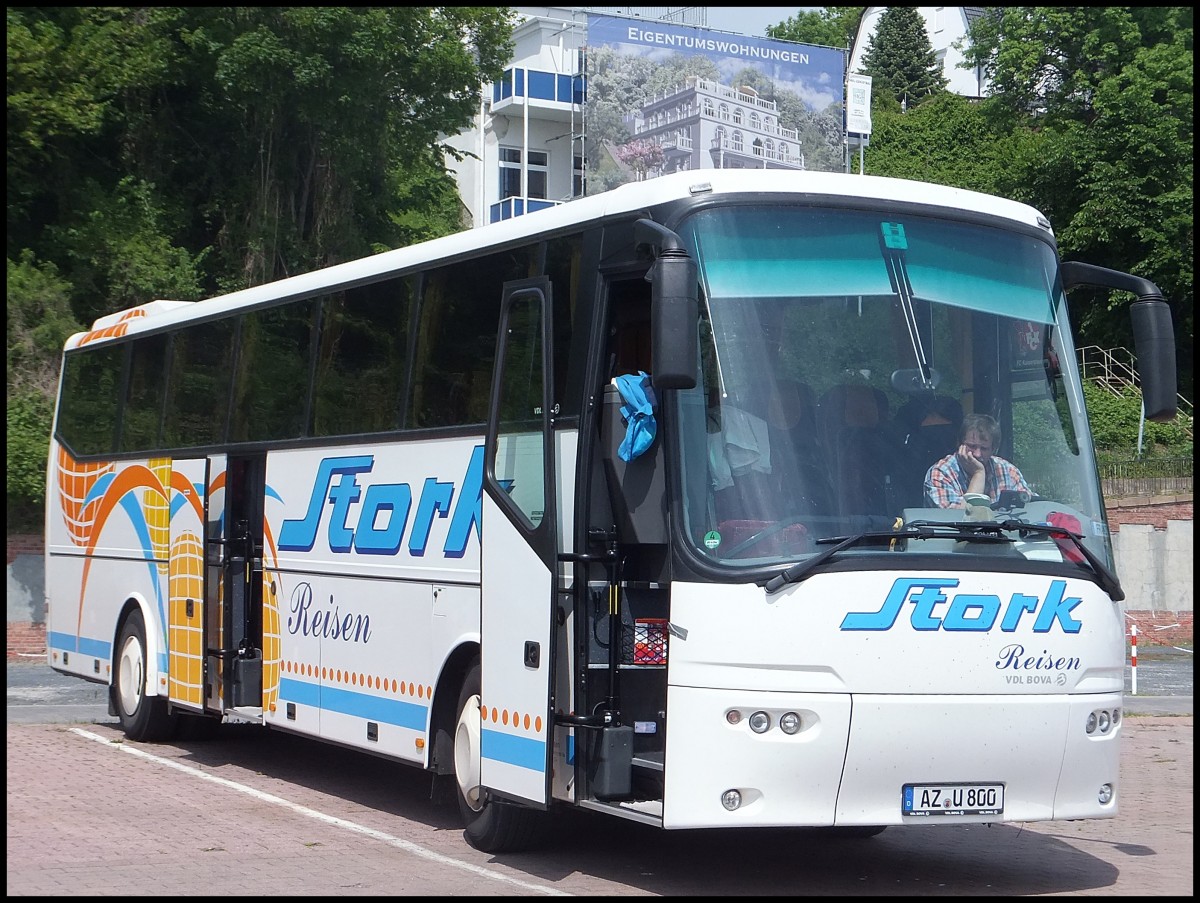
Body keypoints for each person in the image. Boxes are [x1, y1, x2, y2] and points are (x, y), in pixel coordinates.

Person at [924, 413, 1033, 508]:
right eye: (971, 446)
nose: (977, 454)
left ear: (993, 449)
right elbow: (961, 519)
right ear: (959, 444)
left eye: (984, 448)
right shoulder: (940, 474)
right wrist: (978, 473)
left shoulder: (1008, 471)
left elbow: (1029, 505)